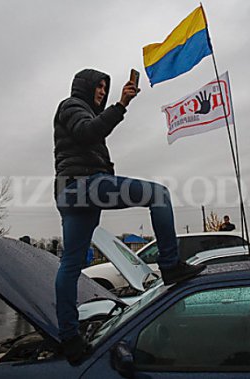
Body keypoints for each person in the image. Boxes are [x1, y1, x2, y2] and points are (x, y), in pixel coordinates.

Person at [53, 68, 206, 364]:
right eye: (97, 87)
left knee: (70, 265)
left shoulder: (83, 112)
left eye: (104, 88)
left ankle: (69, 339)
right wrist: (121, 105)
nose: (101, 91)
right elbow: (88, 132)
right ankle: (170, 264)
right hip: (83, 186)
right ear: (84, 87)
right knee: (158, 195)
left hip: (72, 192)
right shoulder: (72, 106)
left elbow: (90, 135)